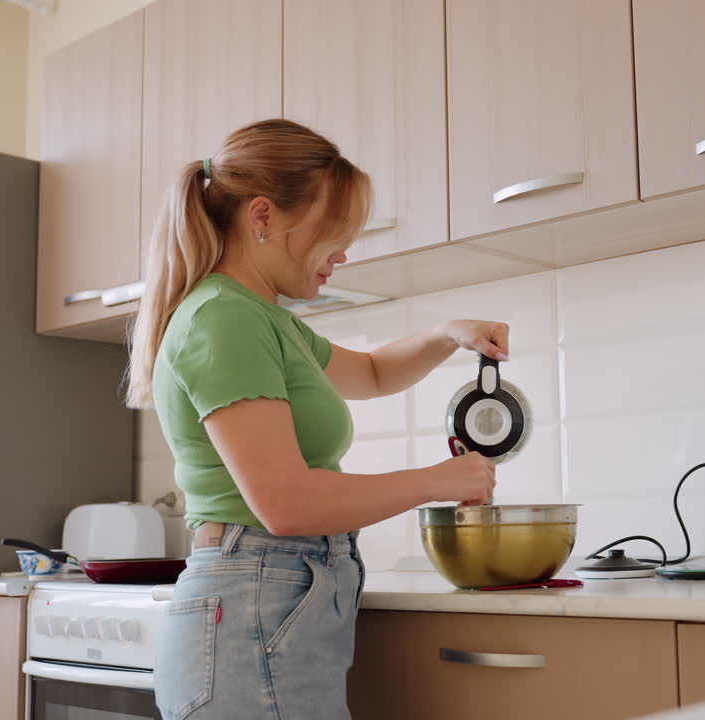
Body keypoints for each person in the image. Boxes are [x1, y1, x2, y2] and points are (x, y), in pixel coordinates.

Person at [125, 119, 502, 720]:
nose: (342, 255)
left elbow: (376, 373)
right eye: (333, 233)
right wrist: (438, 481)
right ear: (264, 216)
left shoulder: (264, 319)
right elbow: (287, 504)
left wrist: (447, 334)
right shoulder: (224, 319)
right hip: (254, 593)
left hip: (266, 596)